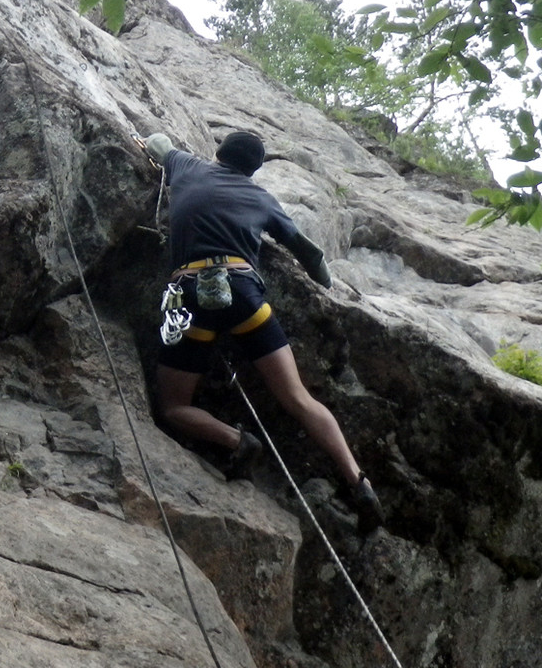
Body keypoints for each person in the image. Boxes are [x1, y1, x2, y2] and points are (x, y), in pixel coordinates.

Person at [142, 129, 384, 532]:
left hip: (191, 299)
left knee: (173, 407)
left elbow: (156, 142)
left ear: (219, 152)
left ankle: (237, 441)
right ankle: (359, 482)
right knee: (298, 397)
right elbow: (310, 255)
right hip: (245, 296)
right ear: (253, 170)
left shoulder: (187, 166)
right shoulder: (262, 198)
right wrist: (328, 288)